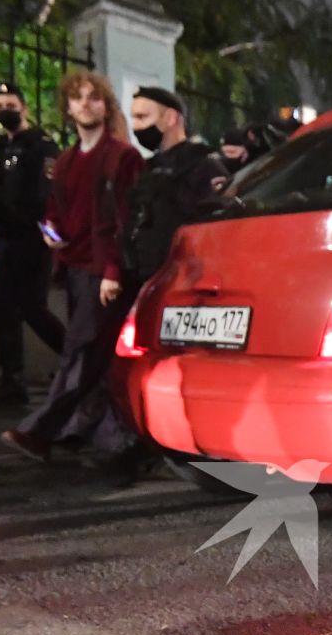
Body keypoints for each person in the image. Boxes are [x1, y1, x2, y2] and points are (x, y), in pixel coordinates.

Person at [87, 85, 228, 481]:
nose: (137, 127)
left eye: (145, 118)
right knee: (127, 368)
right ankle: (130, 442)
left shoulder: (204, 167)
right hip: (142, 279)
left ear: (172, 118)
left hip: (180, 284)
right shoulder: (150, 168)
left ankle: (166, 446)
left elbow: (214, 227)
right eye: (133, 119)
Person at [1, 70, 143, 463]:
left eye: (93, 97)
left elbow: (125, 219)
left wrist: (113, 271)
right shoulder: (64, 161)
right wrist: (51, 231)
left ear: (105, 105)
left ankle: (41, 431)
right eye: (78, 98)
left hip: (104, 272)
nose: (85, 104)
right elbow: (55, 209)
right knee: (92, 354)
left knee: (80, 351)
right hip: (76, 268)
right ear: (67, 107)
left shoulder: (122, 156)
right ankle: (103, 437)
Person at [0, 81, 63, 404]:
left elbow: (43, 195)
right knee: (1, 308)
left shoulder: (41, 145)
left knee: (33, 307)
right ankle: (11, 380)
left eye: (10, 105)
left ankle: (79, 364)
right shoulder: (1, 145)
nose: (4, 112)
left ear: (24, 108)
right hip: (6, 239)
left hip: (32, 238)